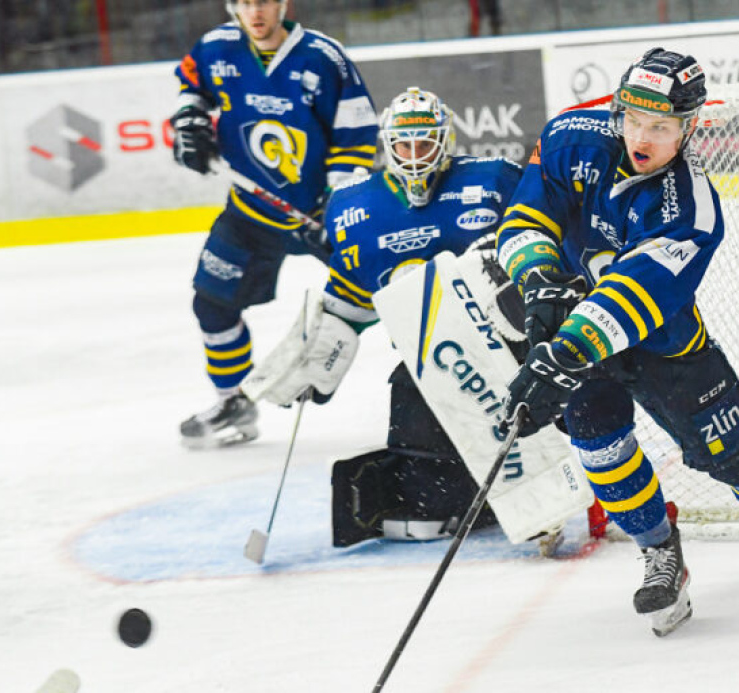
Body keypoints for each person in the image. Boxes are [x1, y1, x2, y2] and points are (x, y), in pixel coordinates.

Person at [497, 48, 739, 636]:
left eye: (662, 127)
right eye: (635, 120)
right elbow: (525, 218)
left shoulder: (690, 208)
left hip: (665, 346)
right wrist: (541, 284)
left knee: (738, 455)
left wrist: (564, 353)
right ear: (618, 109)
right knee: (598, 439)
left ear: (688, 128)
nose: (643, 137)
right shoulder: (571, 138)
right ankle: (659, 551)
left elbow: (633, 294)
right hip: (579, 331)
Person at [242, 87, 525, 545]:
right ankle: (450, 495)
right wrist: (320, 357)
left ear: (446, 142)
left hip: (513, 341)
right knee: (413, 393)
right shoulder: (355, 206)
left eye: (425, 144)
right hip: (430, 354)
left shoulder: (495, 180)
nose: (415, 156)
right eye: (404, 145)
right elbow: (351, 297)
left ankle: (545, 475)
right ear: (387, 147)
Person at [171, 0, 378, 448]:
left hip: (323, 213)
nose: (256, 11)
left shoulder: (324, 58)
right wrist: (189, 120)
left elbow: (356, 134)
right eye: (245, 2)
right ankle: (234, 404)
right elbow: (192, 85)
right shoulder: (216, 48)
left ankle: (439, 395)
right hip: (251, 212)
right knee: (211, 305)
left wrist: (335, 203)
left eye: (264, 0)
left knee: (392, 293)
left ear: (283, 3)